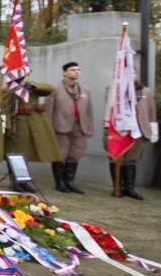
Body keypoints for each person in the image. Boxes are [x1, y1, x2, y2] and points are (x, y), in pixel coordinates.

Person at [103, 68, 159, 199]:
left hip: (138, 131)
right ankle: (118, 187)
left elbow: (151, 112)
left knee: (132, 160)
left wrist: (154, 131)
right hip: (119, 130)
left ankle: (130, 188)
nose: (131, 75)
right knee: (117, 159)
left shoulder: (146, 91)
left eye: (133, 72)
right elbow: (110, 104)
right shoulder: (112, 90)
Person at [42, 61, 94, 193]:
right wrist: (49, 129)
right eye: (72, 70)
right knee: (60, 155)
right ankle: (59, 182)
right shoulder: (54, 88)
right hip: (61, 126)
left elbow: (89, 111)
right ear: (65, 72)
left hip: (80, 127)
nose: (76, 72)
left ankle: (69, 182)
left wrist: (89, 128)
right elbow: (48, 110)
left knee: (75, 154)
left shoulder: (85, 90)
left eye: (78, 70)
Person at [3, 79, 61, 192]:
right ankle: (15, 182)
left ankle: (23, 182)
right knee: (16, 155)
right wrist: (8, 126)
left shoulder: (33, 88)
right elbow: (5, 108)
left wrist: (31, 85)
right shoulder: (10, 90)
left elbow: (49, 89)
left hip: (33, 124)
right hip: (19, 125)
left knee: (27, 155)